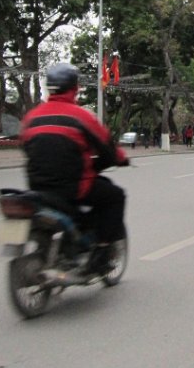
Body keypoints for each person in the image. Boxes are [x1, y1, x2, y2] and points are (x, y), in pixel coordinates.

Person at [20, 62, 130, 277]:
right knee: (115, 196)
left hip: (38, 189)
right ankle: (102, 250)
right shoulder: (81, 117)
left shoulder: (31, 118)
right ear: (75, 87)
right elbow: (107, 147)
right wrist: (121, 159)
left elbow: (25, 148)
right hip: (74, 188)